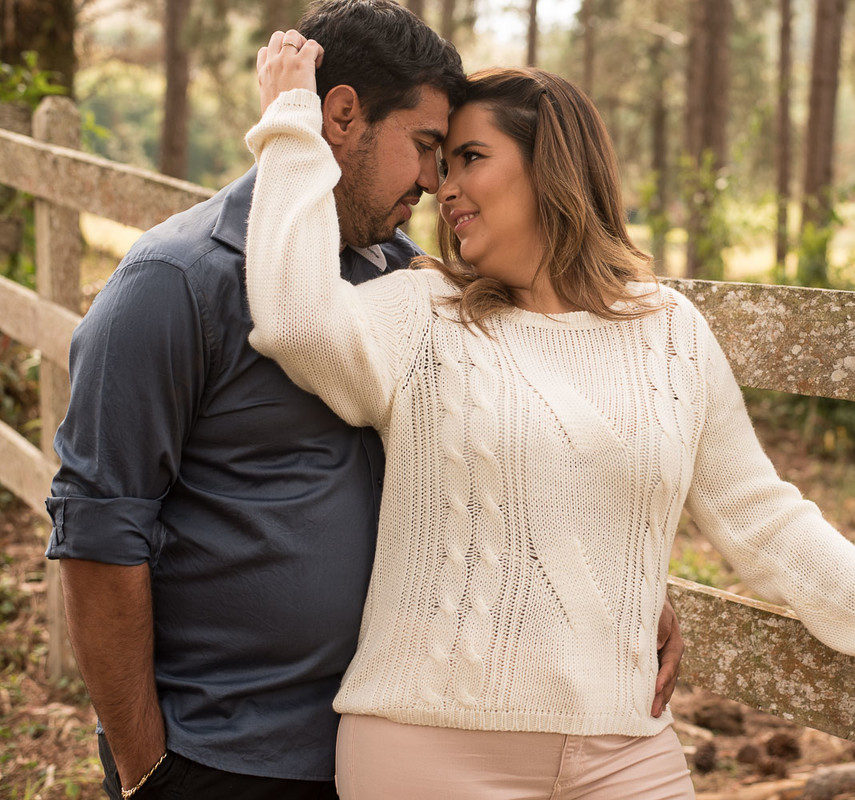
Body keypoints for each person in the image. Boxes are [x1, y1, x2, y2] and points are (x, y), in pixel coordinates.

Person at [245, 34, 855, 800]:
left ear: (551, 166)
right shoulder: (424, 313)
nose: (443, 188)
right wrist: (291, 129)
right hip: (430, 745)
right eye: (441, 164)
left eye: (471, 160)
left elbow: (761, 517)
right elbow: (295, 320)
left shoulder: (668, 331)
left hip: (625, 746)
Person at [43, 3, 683, 799]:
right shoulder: (174, 284)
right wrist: (149, 775)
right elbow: (100, 534)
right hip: (227, 755)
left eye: (448, 157)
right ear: (340, 115)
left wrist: (623, 584)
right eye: (423, 147)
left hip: (407, 748)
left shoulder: (416, 285)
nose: (433, 181)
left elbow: (534, 436)